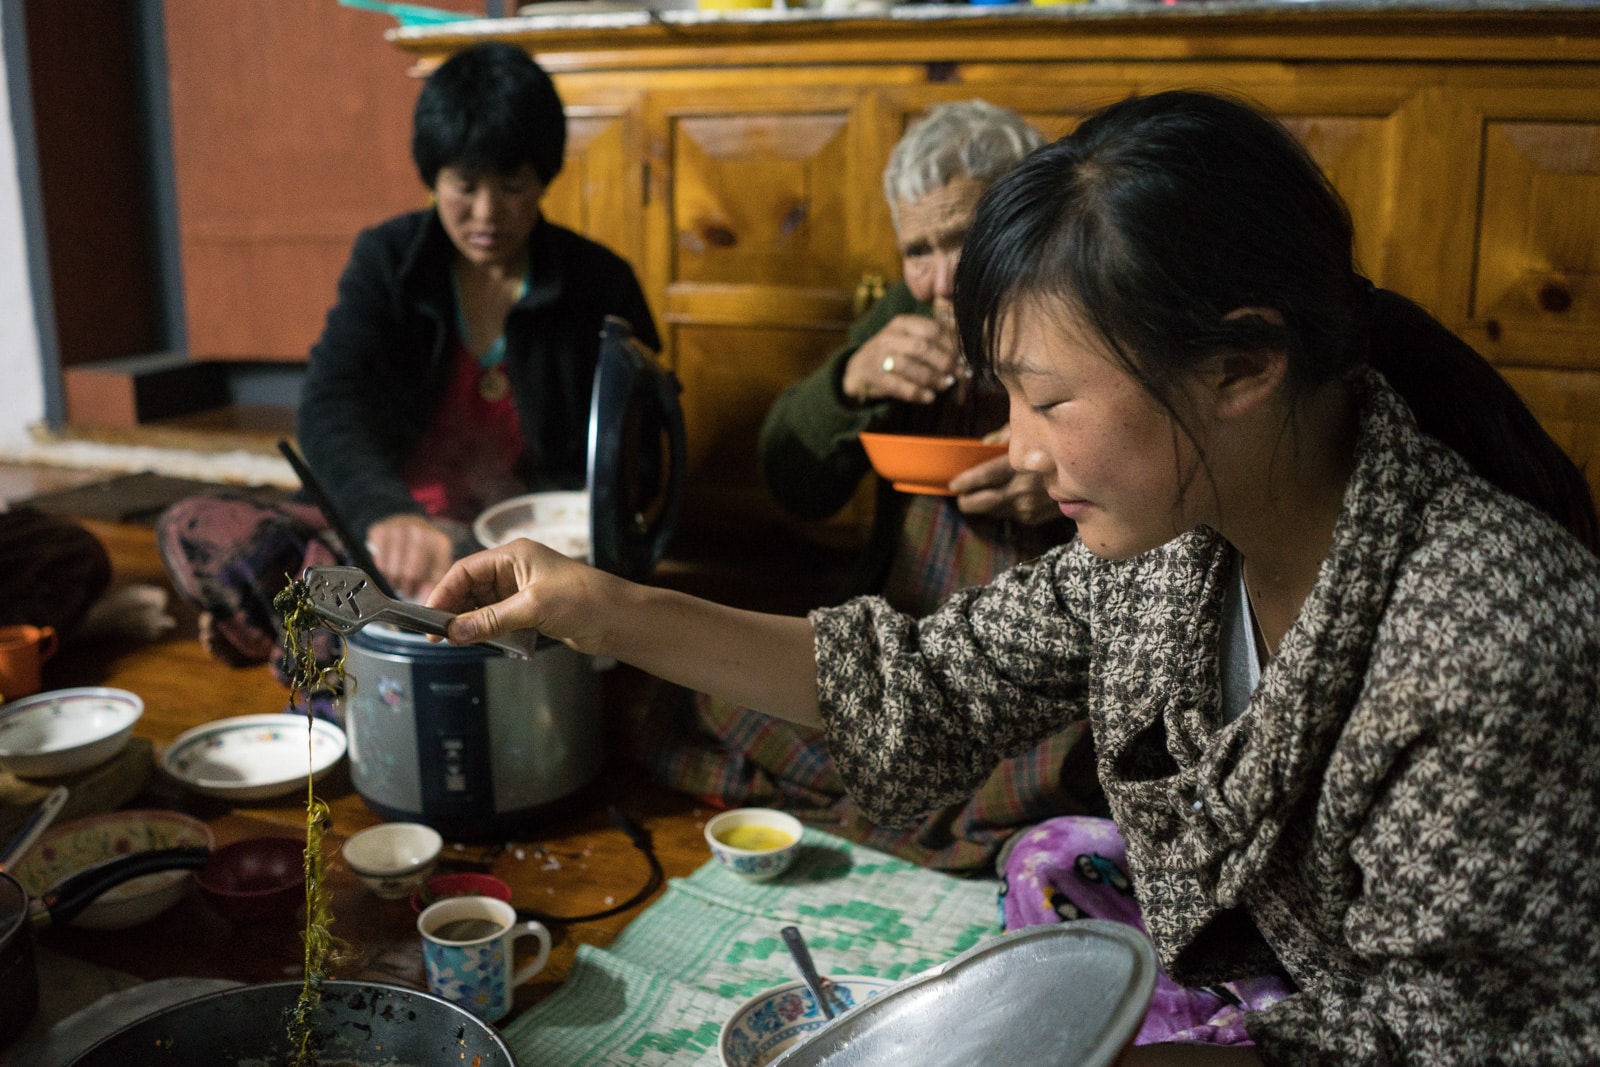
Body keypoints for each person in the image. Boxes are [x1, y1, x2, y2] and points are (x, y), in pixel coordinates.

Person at [426, 88, 1600, 1063]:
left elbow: (1445, 1033)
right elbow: (921, 677)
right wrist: (596, 603)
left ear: (1241, 364)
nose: (1021, 448)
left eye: (1045, 401)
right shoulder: (1179, 544)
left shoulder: (1490, 642)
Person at [627, 100, 1097, 874]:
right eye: (920, 249)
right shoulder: (908, 312)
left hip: (1040, 682)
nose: (943, 279)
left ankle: (926, 813)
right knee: (693, 698)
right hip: (908, 654)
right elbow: (793, 482)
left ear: (1030, 219)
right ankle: (945, 816)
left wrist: (1057, 484)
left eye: (965, 237)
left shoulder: (1084, 308)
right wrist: (849, 381)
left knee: (1073, 767)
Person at [157, 42, 659, 677]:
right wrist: (384, 511)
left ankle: (307, 632)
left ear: (544, 179)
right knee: (197, 522)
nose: (486, 214)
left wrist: (590, 535)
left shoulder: (598, 282)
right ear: (433, 178)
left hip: (528, 553)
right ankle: (349, 627)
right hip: (397, 538)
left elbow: (639, 439)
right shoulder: (389, 261)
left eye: (512, 186)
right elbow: (330, 404)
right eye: (465, 185)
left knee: (368, 600)